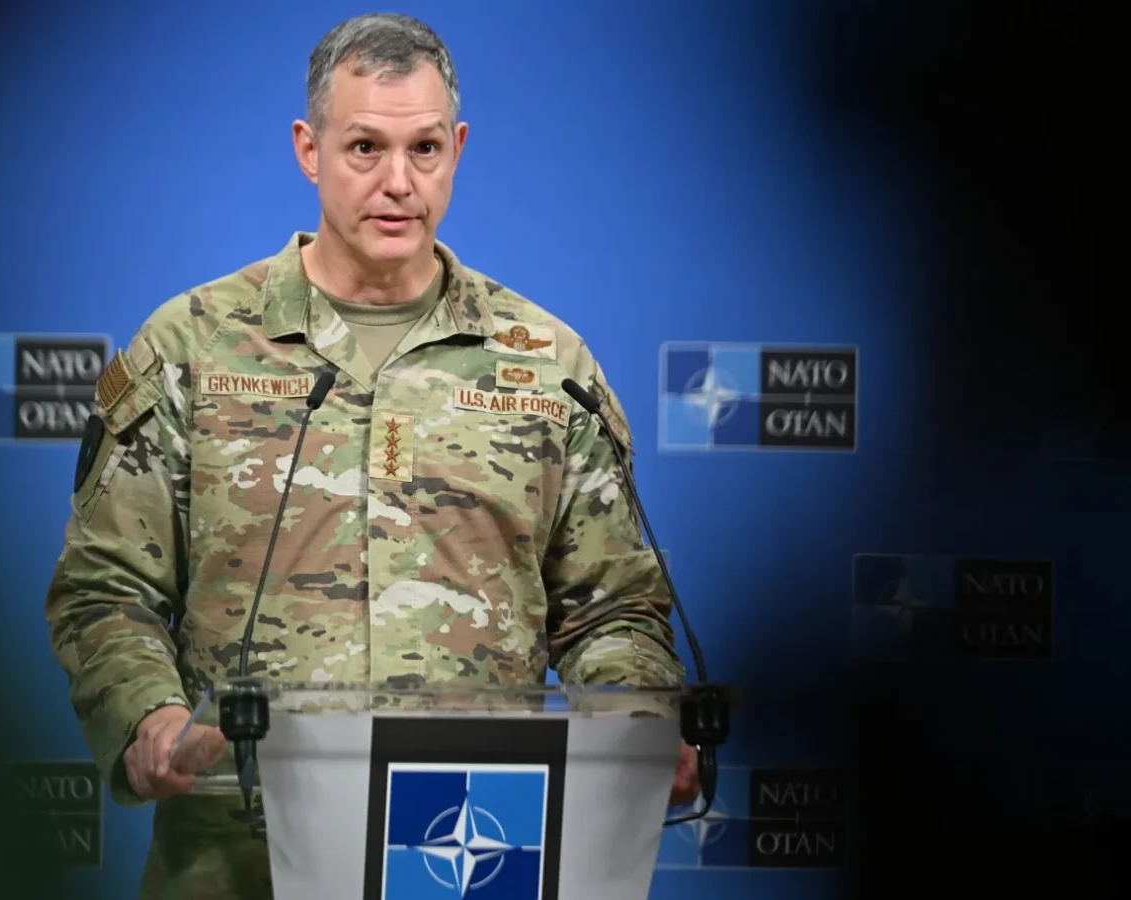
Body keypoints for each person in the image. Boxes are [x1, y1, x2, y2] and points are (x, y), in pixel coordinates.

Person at [45, 13, 698, 899]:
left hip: (469, 860)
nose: (399, 182)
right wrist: (151, 721)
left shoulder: (551, 367)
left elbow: (612, 608)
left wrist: (639, 725)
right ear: (308, 150)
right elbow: (106, 588)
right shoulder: (191, 346)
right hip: (241, 866)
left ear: (457, 149)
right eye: (365, 148)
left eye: (424, 148)